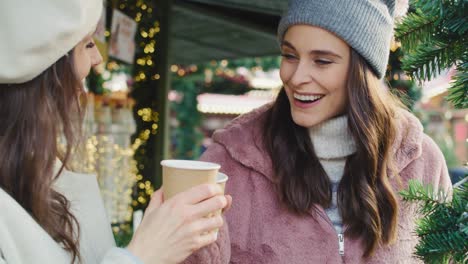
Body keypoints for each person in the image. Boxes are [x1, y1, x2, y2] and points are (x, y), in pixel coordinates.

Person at [183, 0, 452, 263]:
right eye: (289, 56)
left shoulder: (421, 161)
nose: (297, 77)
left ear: (363, 72)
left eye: (322, 61)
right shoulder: (231, 161)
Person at [0, 1, 229, 264]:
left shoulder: (37, 174)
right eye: (87, 44)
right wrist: (142, 255)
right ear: (43, 67)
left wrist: (167, 240)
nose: (97, 58)